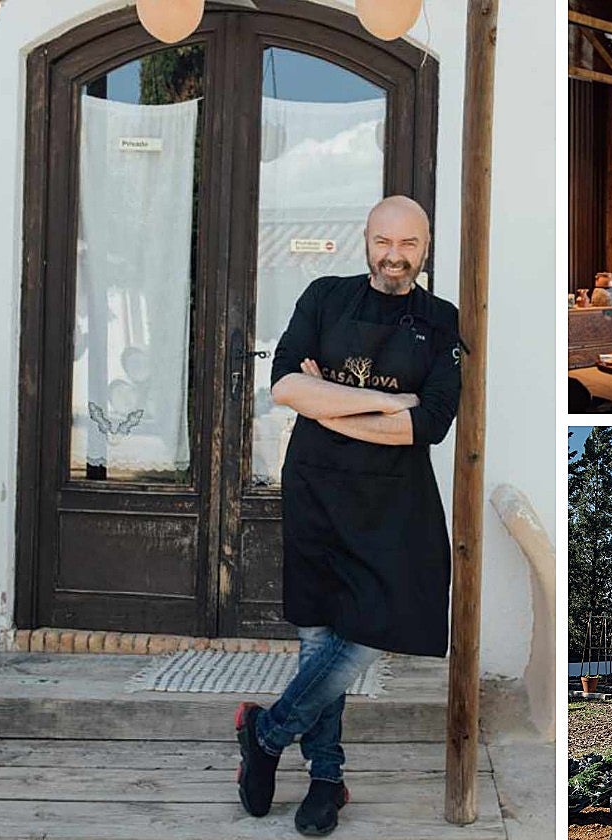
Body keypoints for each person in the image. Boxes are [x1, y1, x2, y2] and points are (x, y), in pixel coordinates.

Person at [234, 195, 461, 836]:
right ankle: (327, 781)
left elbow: (429, 424)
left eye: (408, 244)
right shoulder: (324, 296)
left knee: (364, 633)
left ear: (425, 246)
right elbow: (284, 387)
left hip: (394, 503)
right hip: (317, 492)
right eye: (383, 242)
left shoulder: (440, 321)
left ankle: (267, 732)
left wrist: (327, 402)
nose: (395, 256)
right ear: (366, 240)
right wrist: (376, 405)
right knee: (318, 634)